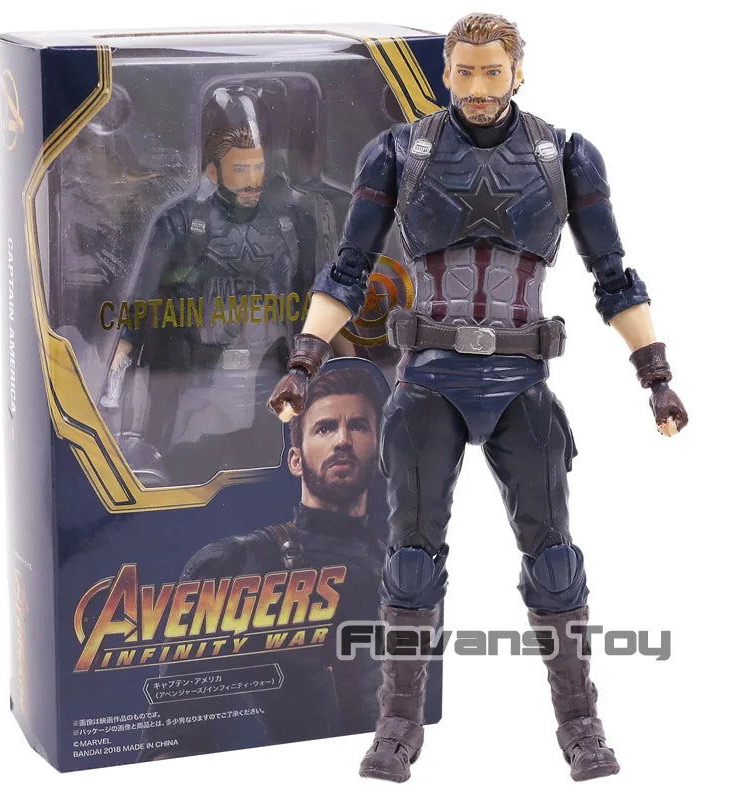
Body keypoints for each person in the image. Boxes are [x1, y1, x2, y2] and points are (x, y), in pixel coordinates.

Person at [268, 12, 688, 783]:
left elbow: (614, 275)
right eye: (464, 71)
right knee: (410, 560)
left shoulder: (565, 155)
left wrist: (656, 378)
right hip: (428, 381)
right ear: (446, 73)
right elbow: (348, 270)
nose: (478, 86)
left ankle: (581, 724)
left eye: (493, 71)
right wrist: (304, 363)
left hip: (522, 385)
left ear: (518, 71)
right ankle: (397, 726)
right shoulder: (400, 151)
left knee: (554, 560)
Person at [143, 364, 389, 757]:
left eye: (358, 426)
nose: (343, 440)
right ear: (295, 460)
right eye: (325, 428)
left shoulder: (399, 565)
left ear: (379, 449)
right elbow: (173, 737)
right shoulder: (240, 563)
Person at [101, 88, 316, 485]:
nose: (253, 181)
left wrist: (341, 371)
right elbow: (142, 302)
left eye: (258, 166)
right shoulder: (181, 223)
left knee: (271, 475)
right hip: (193, 386)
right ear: (213, 170)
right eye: (240, 169)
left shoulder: (291, 223)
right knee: (184, 471)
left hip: (269, 381)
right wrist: (118, 364)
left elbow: (312, 304)